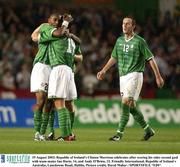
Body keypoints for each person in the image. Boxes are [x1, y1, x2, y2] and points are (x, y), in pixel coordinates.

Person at [97, 16, 164, 141]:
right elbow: (114, 57)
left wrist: (158, 76)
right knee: (131, 106)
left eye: (128, 24)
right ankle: (148, 130)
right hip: (122, 77)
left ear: (133, 26)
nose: (124, 26)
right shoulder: (119, 41)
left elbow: (150, 59)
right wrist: (104, 70)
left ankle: (119, 134)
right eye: (123, 23)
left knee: (126, 102)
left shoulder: (140, 41)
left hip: (135, 75)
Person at [33, 14, 81, 141]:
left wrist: (66, 27)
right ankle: (43, 132)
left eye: (58, 21)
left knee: (58, 102)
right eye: (54, 20)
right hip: (62, 70)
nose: (56, 22)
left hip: (59, 69)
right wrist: (67, 27)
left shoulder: (62, 36)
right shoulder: (52, 32)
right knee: (55, 102)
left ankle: (66, 135)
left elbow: (61, 34)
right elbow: (34, 37)